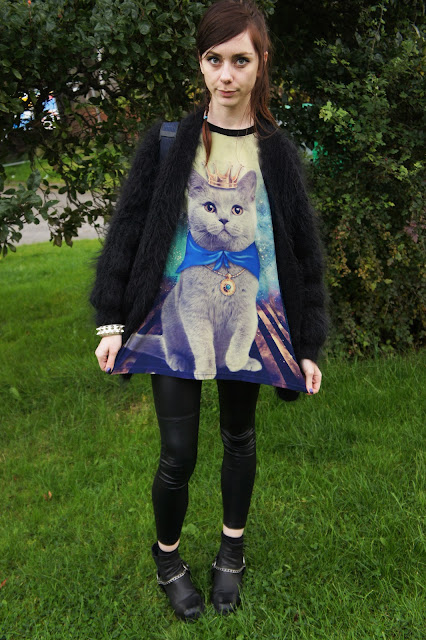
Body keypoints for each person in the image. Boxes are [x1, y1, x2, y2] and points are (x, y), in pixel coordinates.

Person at [90, 0, 328, 622]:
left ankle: (231, 551)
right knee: (178, 451)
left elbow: (303, 252)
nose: (226, 74)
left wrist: (307, 343)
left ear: (261, 63)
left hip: (250, 315)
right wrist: (111, 320)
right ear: (201, 63)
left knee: (239, 438)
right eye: (214, 59)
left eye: (240, 60)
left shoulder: (277, 152)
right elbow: (128, 230)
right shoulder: (168, 141)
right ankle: (168, 558)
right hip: (171, 316)